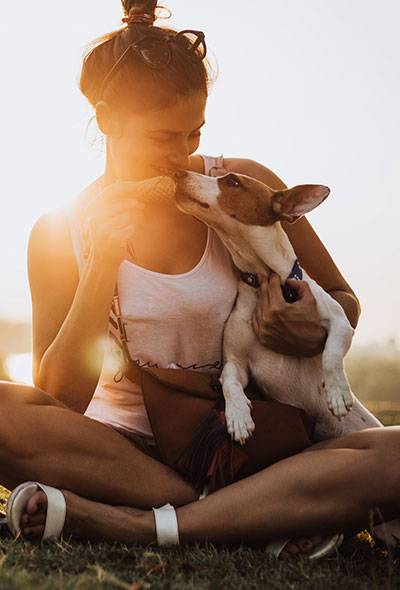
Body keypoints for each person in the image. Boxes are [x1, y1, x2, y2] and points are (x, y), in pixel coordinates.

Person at [1, 0, 400, 559]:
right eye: (164, 137)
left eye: (195, 134)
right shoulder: (57, 229)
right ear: (107, 118)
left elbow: (343, 301)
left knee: (394, 455)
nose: (183, 156)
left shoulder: (241, 187)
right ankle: (252, 512)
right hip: (126, 455)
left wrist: (308, 327)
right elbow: (58, 401)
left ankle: (137, 523)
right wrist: (100, 269)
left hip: (252, 437)